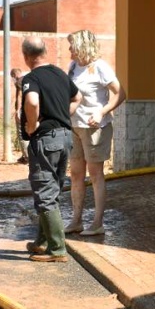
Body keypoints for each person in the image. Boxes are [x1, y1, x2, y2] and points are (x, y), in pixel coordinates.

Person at [20, 36, 81, 262]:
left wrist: (32, 123)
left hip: (46, 140)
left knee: (45, 195)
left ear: (26, 56)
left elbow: (33, 102)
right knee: (52, 191)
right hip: (65, 138)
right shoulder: (59, 73)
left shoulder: (31, 78)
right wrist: (64, 115)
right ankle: (42, 242)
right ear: (44, 52)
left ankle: (57, 250)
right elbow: (78, 97)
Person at [65, 29, 126, 237]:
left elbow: (120, 93)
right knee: (75, 175)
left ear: (82, 46)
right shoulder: (72, 67)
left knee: (96, 174)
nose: (69, 49)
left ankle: (97, 222)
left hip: (94, 129)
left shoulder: (100, 67)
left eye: (72, 45)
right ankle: (76, 220)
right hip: (74, 126)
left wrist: (102, 111)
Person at [11, 67, 27, 163]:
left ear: (14, 75)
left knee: (21, 134)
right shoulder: (28, 79)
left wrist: (17, 111)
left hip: (22, 111)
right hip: (31, 111)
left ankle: (27, 157)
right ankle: (25, 155)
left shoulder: (19, 82)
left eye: (12, 77)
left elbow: (19, 96)